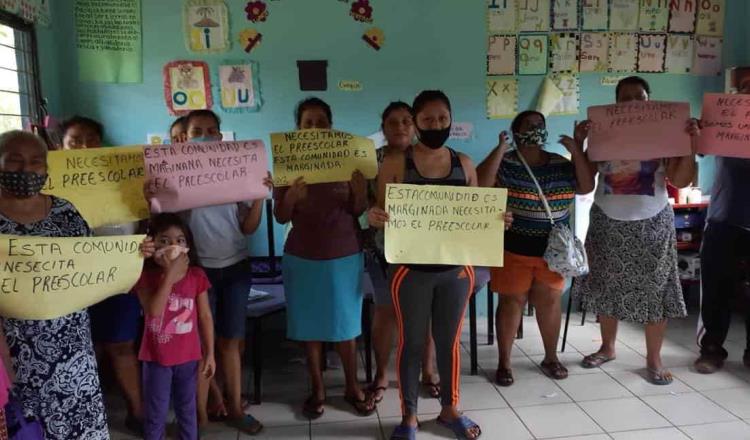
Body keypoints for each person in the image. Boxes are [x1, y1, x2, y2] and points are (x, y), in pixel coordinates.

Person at [369, 90, 512, 440]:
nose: (436, 125)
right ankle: (409, 418)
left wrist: (497, 220)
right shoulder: (396, 163)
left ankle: (450, 409)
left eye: (442, 119)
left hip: (455, 272)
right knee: (412, 344)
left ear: (451, 120)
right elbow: (382, 213)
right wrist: (374, 216)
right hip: (409, 271)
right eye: (428, 119)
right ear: (416, 122)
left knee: (448, 343)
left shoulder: (463, 163)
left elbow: (475, 212)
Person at [0, 130, 155, 439]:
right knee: (23, 427)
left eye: (36, 162)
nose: (26, 170)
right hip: (10, 347)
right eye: (14, 161)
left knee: (80, 426)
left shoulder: (64, 212)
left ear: (46, 168)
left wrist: (132, 255)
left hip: (72, 348)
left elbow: (90, 263)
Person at [572, 76, 700, 385]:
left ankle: (653, 359)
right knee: (605, 285)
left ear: (649, 101)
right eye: (625, 98)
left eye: (638, 97)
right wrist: (578, 144)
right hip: (606, 219)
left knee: (655, 291)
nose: (631, 103)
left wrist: (690, 144)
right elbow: (585, 182)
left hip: (653, 221)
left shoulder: (665, 134)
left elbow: (681, 181)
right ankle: (607, 347)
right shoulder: (602, 133)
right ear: (615, 104)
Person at [146, 109, 266, 434]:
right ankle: (198, 415)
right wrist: (152, 198)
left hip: (236, 266)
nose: (206, 135)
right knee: (196, 345)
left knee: (231, 341)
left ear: (219, 135)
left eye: (212, 130)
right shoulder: (175, 173)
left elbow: (247, 227)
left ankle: (235, 408)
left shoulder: (235, 169)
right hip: (195, 273)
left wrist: (258, 198)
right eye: (198, 129)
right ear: (185, 136)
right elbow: (162, 224)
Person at [273, 97, 375, 419]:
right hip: (302, 256)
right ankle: (316, 388)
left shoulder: (348, 161)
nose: (315, 128)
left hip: (344, 254)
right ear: (298, 129)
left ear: (331, 128)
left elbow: (359, 211)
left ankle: (351, 386)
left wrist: (359, 191)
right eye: (308, 123)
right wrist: (290, 197)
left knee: (346, 326)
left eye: (321, 122)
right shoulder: (288, 165)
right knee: (309, 328)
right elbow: (279, 216)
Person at [476, 110, 595, 386]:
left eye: (539, 125)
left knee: (550, 302)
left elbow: (586, 186)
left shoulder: (559, 162)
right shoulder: (506, 163)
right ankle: (505, 362)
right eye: (528, 125)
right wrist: (501, 148)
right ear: (516, 132)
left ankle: (551, 358)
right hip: (513, 248)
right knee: (511, 302)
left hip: (552, 253)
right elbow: (481, 185)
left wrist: (577, 150)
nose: (535, 129)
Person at [61, 115, 146, 433]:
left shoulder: (122, 179)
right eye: (75, 141)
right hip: (66, 280)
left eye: (91, 139)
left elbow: (139, 224)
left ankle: (138, 413)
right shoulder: (49, 185)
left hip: (116, 276)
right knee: (84, 348)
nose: (84, 147)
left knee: (122, 344)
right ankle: (84, 414)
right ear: (60, 147)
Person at [365, 102, 440, 403]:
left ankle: (429, 371)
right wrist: (368, 214)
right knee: (386, 312)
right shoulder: (370, 161)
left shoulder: (432, 158)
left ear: (416, 125)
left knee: (428, 313)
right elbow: (360, 204)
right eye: (393, 122)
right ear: (383, 127)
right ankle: (382, 375)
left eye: (407, 121)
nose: (400, 127)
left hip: (426, 251)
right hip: (382, 250)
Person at [134, 213, 215, 440]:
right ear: (151, 245)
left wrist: (210, 353)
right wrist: (169, 276)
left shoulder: (197, 276)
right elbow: (154, 311)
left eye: (180, 240)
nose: (173, 246)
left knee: (188, 410)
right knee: (155, 413)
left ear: (188, 246)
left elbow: (206, 316)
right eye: (164, 240)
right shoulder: (145, 277)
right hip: (156, 358)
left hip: (189, 357)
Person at [694, 73, 750, 374]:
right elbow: (699, 149)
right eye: (745, 89)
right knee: (716, 289)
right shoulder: (726, 120)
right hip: (723, 218)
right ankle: (712, 349)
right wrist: (697, 130)